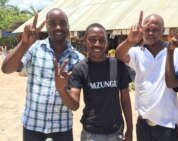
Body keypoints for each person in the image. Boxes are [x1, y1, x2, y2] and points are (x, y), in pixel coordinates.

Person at [1, 8, 84, 141]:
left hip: (62, 129)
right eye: (52, 23)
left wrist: (61, 89)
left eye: (62, 23)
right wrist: (24, 44)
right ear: (46, 26)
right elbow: (6, 69)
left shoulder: (78, 59)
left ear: (68, 26)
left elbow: (74, 106)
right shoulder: (34, 48)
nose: (58, 27)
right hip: (33, 126)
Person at [115, 11, 178, 141]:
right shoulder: (137, 53)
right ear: (142, 30)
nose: (150, 33)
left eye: (155, 29)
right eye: (147, 29)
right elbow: (119, 54)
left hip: (168, 125)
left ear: (163, 31)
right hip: (143, 124)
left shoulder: (177, 54)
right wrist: (130, 40)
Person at [54, 23, 133, 141]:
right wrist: (61, 90)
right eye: (92, 40)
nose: (97, 44)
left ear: (107, 42)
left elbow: (126, 100)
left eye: (102, 40)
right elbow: (74, 105)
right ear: (85, 41)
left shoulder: (118, 65)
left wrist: (130, 130)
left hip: (116, 132)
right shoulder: (80, 68)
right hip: (91, 134)